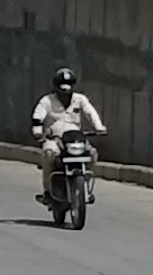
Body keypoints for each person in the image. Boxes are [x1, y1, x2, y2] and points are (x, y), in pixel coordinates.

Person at [29, 66, 106, 198]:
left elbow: (90, 113)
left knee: (92, 153)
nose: (65, 92)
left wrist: (99, 127)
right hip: (55, 139)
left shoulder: (80, 99)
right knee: (48, 154)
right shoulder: (47, 101)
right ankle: (48, 190)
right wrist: (38, 132)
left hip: (75, 139)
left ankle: (83, 183)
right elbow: (38, 117)